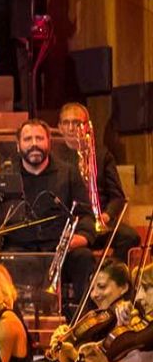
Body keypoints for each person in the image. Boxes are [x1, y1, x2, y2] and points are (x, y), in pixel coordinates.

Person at [0, 119, 95, 306]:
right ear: (18, 145)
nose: (34, 144)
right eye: (28, 139)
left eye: (39, 138)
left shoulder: (68, 173)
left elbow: (86, 215)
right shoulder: (6, 178)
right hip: (19, 252)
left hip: (60, 251)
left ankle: (81, 321)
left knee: (84, 258)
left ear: (49, 142)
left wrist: (82, 238)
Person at [57, 102, 137, 256]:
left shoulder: (102, 155)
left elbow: (117, 197)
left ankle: (111, 274)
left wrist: (104, 217)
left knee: (130, 237)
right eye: (66, 123)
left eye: (77, 123)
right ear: (60, 127)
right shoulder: (53, 158)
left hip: (97, 222)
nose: (71, 128)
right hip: (72, 223)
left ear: (87, 126)